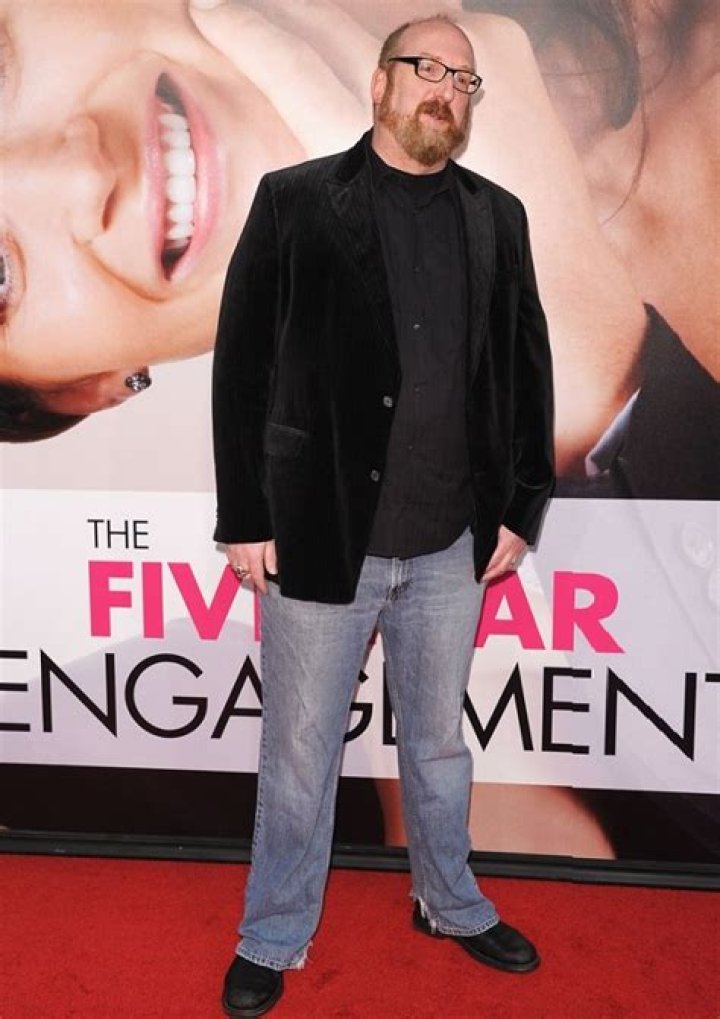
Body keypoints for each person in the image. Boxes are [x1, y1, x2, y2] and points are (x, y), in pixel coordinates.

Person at [212, 14, 554, 1016]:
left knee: (439, 744)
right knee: (299, 752)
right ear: (380, 82)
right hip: (320, 536)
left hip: (451, 541)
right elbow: (242, 365)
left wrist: (521, 504)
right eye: (427, 68)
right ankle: (273, 932)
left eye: (463, 78)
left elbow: (524, 365)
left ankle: (450, 900)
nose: (445, 89)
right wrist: (245, 513)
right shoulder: (295, 201)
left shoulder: (498, 216)